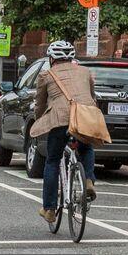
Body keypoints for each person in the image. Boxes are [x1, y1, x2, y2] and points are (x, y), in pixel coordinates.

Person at [32, 40, 98, 224]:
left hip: (60, 121)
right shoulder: (85, 73)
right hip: (83, 117)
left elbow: (40, 104)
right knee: (86, 147)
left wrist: (39, 120)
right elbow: (92, 96)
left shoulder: (46, 75)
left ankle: (49, 209)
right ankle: (88, 181)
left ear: (52, 58)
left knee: (52, 161)